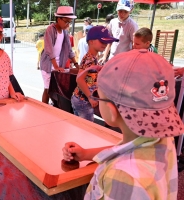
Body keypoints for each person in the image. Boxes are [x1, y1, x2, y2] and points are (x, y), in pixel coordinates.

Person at [63, 49, 184, 199]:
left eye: (99, 96)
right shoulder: (163, 139)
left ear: (111, 111)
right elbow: (132, 149)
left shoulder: (121, 178)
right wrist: (87, 154)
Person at [71, 26, 118, 121]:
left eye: (106, 42)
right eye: (102, 41)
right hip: (83, 101)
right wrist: (90, 97)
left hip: (79, 99)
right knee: (86, 129)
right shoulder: (90, 59)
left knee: (79, 127)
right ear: (91, 41)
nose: (105, 44)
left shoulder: (91, 57)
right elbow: (79, 79)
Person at [40, 6, 79, 104]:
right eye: (66, 21)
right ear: (58, 19)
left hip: (59, 65)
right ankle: (43, 108)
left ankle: (55, 107)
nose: (68, 24)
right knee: (48, 88)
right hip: (48, 65)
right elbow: (49, 49)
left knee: (57, 90)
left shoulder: (65, 32)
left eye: (69, 22)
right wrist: (56, 66)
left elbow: (69, 50)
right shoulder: (50, 29)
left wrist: (76, 64)